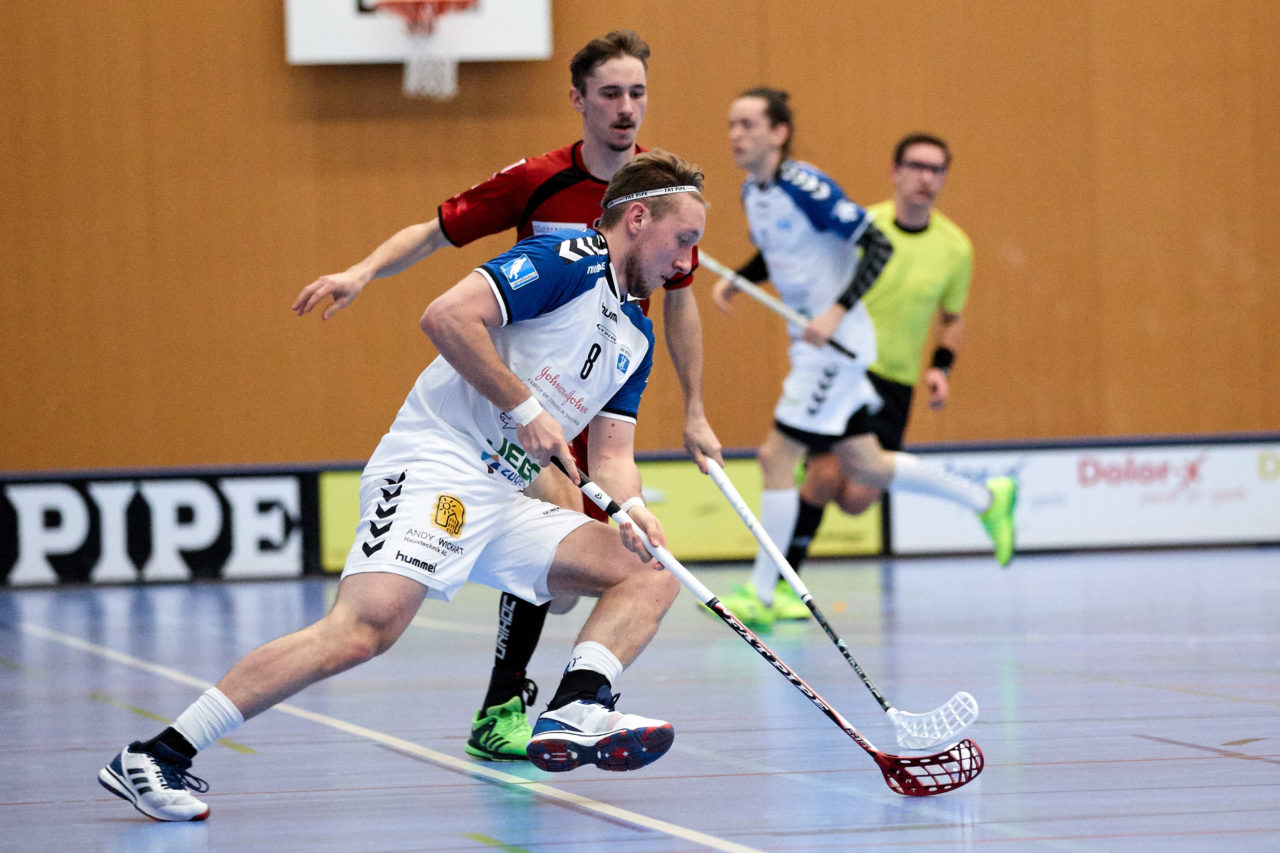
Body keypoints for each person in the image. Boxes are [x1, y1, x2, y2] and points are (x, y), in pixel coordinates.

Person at [99, 151, 708, 822]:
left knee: (650, 570)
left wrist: (633, 508)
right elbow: (446, 316)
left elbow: (613, 455)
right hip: (434, 464)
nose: (686, 261)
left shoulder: (636, 334)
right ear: (637, 218)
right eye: (682, 239)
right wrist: (525, 407)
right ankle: (158, 753)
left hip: (502, 495)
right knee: (363, 630)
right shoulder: (567, 260)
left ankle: (576, 708)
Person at [291, 31, 723, 762]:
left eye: (637, 92)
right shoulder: (540, 180)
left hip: (605, 382)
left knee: (597, 572)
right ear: (579, 99)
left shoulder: (669, 201)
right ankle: (504, 704)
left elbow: (678, 302)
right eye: (610, 93)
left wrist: (696, 410)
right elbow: (437, 233)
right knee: (553, 524)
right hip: (520, 389)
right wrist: (363, 270)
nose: (626, 107)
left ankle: (566, 701)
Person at [710, 88, 1015, 628]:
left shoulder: (807, 186)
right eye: (732, 123)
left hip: (838, 347)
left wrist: (836, 312)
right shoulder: (752, 192)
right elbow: (785, 253)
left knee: (777, 456)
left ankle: (762, 594)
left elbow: (879, 247)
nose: (737, 134)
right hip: (812, 345)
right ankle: (986, 499)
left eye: (749, 124)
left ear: (779, 133)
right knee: (865, 466)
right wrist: (738, 279)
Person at [781, 133, 975, 588]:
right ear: (895, 172)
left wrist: (940, 368)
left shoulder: (956, 248)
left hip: (896, 384)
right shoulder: (864, 227)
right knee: (824, 473)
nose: (925, 177)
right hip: (846, 371)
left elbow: (953, 318)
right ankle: (783, 586)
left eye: (936, 169)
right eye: (916, 166)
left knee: (857, 498)